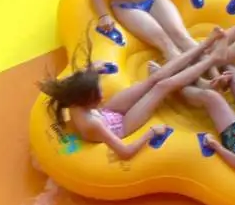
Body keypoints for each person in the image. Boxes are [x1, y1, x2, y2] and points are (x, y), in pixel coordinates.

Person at [39, 31, 223, 160]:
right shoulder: (92, 123)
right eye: (97, 94)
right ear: (86, 101)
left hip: (107, 113)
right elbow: (124, 152)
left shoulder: (72, 98)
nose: (103, 94)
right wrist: (151, 133)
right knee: (161, 86)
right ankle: (212, 60)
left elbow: (64, 83)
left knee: (155, 79)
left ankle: (205, 45)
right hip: (121, 126)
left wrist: (93, 69)